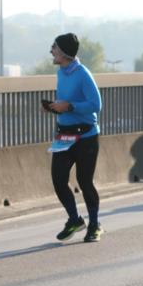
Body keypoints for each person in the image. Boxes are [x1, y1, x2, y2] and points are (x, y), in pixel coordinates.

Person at [45, 33, 104, 243]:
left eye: (54, 47)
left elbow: (96, 105)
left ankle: (95, 225)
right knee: (58, 180)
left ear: (63, 52)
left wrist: (70, 107)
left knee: (84, 182)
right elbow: (66, 101)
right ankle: (74, 220)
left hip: (86, 136)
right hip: (64, 136)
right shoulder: (61, 73)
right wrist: (55, 107)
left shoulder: (83, 74)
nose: (51, 50)